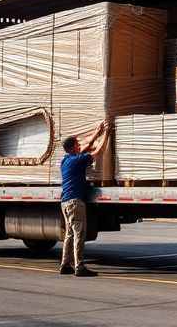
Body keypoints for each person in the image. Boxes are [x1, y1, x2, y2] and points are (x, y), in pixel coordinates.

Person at [59, 119, 110, 277]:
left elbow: (86, 147)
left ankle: (65, 264)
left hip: (65, 201)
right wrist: (107, 134)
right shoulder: (77, 160)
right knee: (79, 234)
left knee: (69, 234)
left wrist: (97, 132)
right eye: (77, 144)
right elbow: (97, 153)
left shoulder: (66, 160)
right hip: (75, 202)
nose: (80, 145)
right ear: (73, 147)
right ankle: (79, 266)